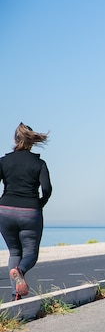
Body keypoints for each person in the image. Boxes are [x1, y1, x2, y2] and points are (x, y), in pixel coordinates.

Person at [0, 123, 52, 300]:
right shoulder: (39, 163)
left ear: (15, 140)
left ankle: (16, 295)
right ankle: (20, 271)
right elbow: (47, 189)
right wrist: (40, 204)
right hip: (30, 211)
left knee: (14, 253)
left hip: (5, 211)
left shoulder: (3, 161)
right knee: (30, 253)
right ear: (31, 141)